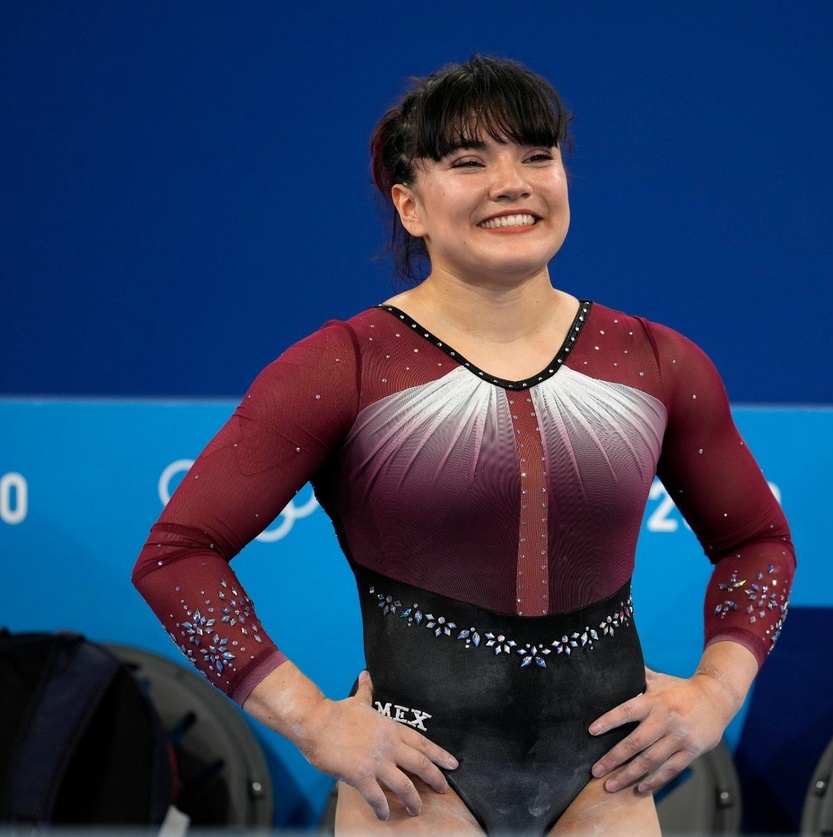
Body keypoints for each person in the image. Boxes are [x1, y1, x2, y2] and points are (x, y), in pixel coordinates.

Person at [132, 55, 795, 835]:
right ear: (409, 204)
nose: (511, 182)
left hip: (605, 785)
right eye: (468, 162)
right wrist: (312, 719)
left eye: (535, 156)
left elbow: (758, 542)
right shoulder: (341, 365)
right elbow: (177, 555)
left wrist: (715, 690)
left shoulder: (655, 360)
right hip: (417, 788)